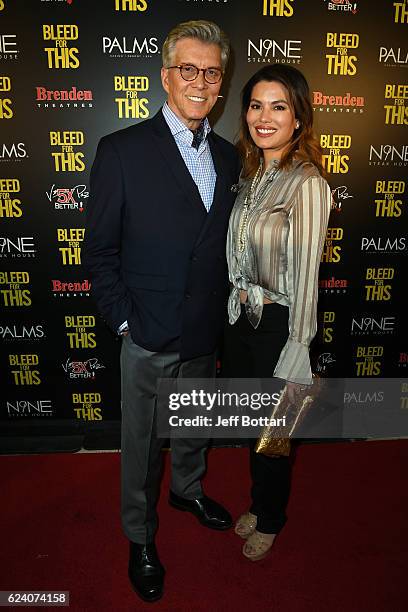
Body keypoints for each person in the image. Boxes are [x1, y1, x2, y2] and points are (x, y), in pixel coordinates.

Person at [82, 20, 240, 602]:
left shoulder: (229, 158)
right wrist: (125, 321)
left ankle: (189, 490)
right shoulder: (121, 150)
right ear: (166, 76)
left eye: (211, 72)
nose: (200, 82)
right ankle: (140, 535)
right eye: (188, 69)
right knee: (143, 444)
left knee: (194, 427)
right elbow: (98, 251)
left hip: (204, 331)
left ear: (221, 83)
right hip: (146, 334)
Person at [222, 64, 331, 561]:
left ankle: (271, 517)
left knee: (274, 437)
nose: (264, 117)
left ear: (299, 118)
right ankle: (259, 500)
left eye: (279, 106)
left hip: (281, 327)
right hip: (243, 322)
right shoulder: (253, 175)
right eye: (255, 105)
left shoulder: (307, 185)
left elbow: (308, 279)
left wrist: (297, 350)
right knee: (252, 428)